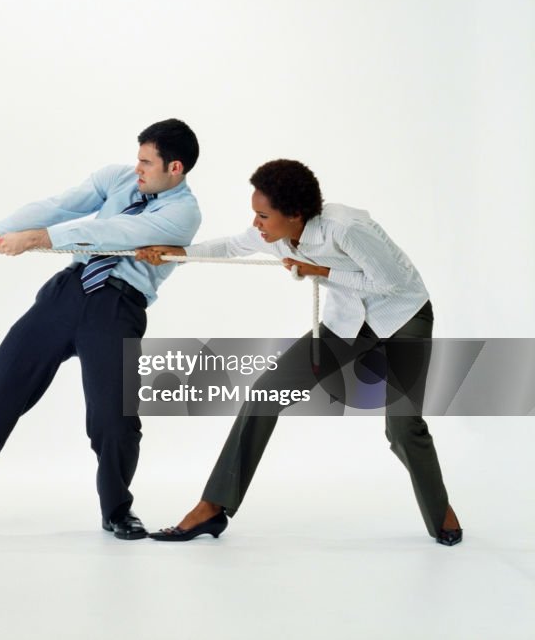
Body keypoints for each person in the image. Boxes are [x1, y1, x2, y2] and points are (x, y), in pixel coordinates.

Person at [0, 119, 201, 542]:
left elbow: (109, 233)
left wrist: (38, 239)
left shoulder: (183, 213)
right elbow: (60, 206)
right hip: (66, 293)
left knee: (113, 419)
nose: (138, 169)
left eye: (147, 162)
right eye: (137, 159)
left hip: (117, 306)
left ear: (176, 168)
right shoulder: (119, 179)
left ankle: (117, 510)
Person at [135, 159, 462, 545]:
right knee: (265, 394)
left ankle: (440, 511)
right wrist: (176, 252)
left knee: (403, 428)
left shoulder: (346, 227)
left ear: (295, 215)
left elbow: (390, 282)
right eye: (254, 214)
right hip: (346, 323)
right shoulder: (270, 234)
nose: (256, 224)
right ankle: (212, 507)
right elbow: (231, 246)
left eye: (263, 216)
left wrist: (319, 273)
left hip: (401, 316)